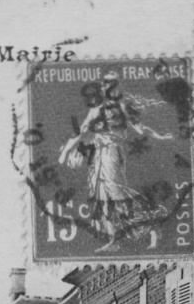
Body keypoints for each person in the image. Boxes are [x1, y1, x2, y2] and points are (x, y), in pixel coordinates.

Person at [58, 71, 173, 251]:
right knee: (101, 195)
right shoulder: (96, 108)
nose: (108, 87)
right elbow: (81, 131)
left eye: (112, 84)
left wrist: (160, 136)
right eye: (106, 84)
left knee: (115, 192)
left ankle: (151, 221)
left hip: (112, 151)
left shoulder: (122, 106)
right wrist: (66, 151)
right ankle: (114, 239)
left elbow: (140, 128)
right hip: (99, 154)